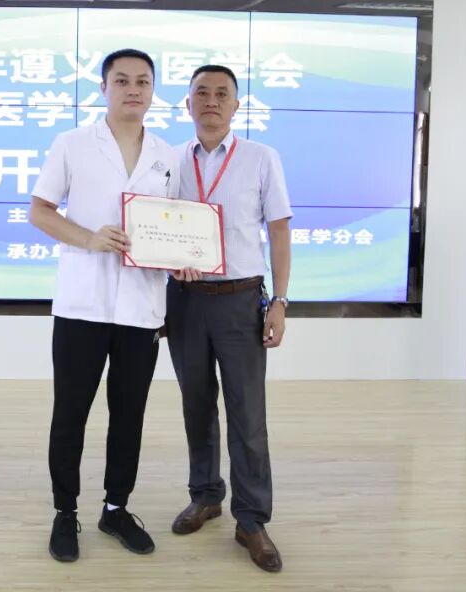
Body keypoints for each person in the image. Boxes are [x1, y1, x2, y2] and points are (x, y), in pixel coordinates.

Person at [29, 49, 180, 563]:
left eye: (143, 81)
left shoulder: (168, 155)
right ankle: (64, 512)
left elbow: (178, 226)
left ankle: (116, 509)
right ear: (103, 87)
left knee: (129, 415)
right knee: (70, 414)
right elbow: (40, 212)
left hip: (141, 308)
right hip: (82, 305)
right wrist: (89, 239)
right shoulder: (72, 144)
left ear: (153, 90)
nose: (133, 89)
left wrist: (183, 261)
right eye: (122, 80)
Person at [165, 64, 293, 573]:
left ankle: (252, 520)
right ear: (188, 104)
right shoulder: (169, 161)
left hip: (241, 301)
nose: (211, 101)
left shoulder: (261, 158)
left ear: (237, 106)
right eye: (202, 92)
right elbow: (155, 229)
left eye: (222, 94)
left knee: (247, 413)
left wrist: (280, 301)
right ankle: (205, 495)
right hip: (185, 301)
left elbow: (279, 231)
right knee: (196, 405)